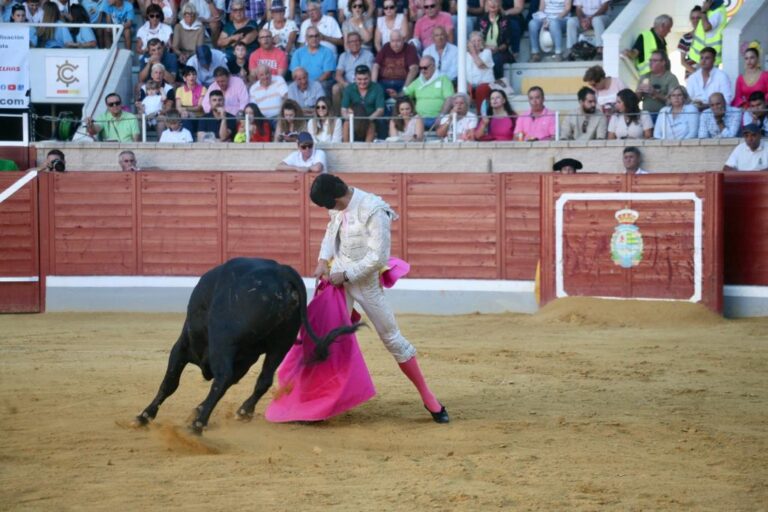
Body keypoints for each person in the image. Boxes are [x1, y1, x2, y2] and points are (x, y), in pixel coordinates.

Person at [309, 173, 449, 423]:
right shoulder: (339, 208)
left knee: (392, 339)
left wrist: (347, 275)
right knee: (325, 339)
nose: (327, 210)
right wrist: (323, 260)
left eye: (326, 205)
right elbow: (331, 233)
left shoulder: (374, 210)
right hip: (338, 282)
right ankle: (320, 403)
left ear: (335, 198)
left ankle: (430, 399)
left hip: (365, 285)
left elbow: (378, 258)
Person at [403, 56, 455, 128]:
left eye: (425, 68)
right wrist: (395, 95)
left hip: (438, 118)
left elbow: (449, 99)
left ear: (433, 66)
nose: (423, 71)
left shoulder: (443, 79)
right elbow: (405, 94)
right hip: (419, 119)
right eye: (421, 68)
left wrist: (441, 116)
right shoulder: (418, 81)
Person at [341, 64, 385, 142]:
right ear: (355, 78)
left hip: (371, 119)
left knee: (371, 125)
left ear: (370, 77)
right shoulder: (349, 89)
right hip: (354, 120)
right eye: (359, 79)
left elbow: (380, 110)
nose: (362, 82)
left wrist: (367, 120)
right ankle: (346, 149)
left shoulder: (377, 88)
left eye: (365, 79)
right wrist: (349, 119)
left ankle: (367, 150)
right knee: (346, 123)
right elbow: (343, 109)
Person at [372, 29, 419, 98]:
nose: (395, 44)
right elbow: (376, 66)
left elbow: (414, 69)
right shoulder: (386, 47)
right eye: (393, 41)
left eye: (398, 41)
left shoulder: (410, 49)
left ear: (403, 40)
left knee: (405, 95)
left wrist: (404, 89)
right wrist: (374, 85)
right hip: (384, 82)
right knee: (375, 95)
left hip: (402, 82)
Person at [290, 26, 337, 96]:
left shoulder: (327, 52)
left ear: (319, 37)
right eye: (311, 36)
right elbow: (294, 72)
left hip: (321, 82)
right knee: (291, 87)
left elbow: (327, 73)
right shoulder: (298, 53)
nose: (314, 39)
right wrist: (303, 82)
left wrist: (313, 84)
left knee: (322, 86)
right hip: (301, 82)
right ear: (306, 38)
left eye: (316, 36)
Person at [477, 0, 517, 80]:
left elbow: (507, 42)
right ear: (486, 5)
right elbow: (477, 37)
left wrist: (497, 49)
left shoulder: (505, 20)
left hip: (500, 51)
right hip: (483, 50)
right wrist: (486, 47)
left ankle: (498, 82)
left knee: (496, 58)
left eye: (496, 1)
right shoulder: (481, 20)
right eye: (490, 1)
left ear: (499, 5)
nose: (493, 4)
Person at [334, 32, 375, 108]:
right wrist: (345, 84)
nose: (354, 43)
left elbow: (369, 74)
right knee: (336, 88)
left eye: (357, 41)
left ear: (361, 42)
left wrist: (359, 84)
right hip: (347, 84)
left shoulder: (368, 55)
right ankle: (338, 117)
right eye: (351, 41)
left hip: (363, 83)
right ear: (348, 44)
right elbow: (338, 75)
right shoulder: (343, 56)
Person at [686, 47, 733, 111]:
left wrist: (708, 106)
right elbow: (688, 99)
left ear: (714, 60)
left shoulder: (722, 76)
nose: (703, 61)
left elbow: (727, 100)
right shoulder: (693, 78)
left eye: (707, 58)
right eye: (701, 58)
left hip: (716, 112)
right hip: (695, 112)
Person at [636, 51, 679, 119]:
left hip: (664, 116)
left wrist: (655, 94)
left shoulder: (671, 78)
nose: (651, 63)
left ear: (663, 62)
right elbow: (635, 101)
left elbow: (674, 101)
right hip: (646, 116)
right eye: (650, 60)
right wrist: (639, 92)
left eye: (654, 61)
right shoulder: (644, 76)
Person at [688, 0, 727, 67]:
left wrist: (703, 12)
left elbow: (706, 27)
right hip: (702, 57)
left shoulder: (717, 12)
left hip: (709, 58)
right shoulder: (711, 10)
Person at [465, 31, 495, 114]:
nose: (476, 43)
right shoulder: (465, 55)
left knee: (481, 90)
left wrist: (473, 52)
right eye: (473, 41)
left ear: (483, 42)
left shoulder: (486, 52)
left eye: (479, 41)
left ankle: (481, 117)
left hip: (485, 84)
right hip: (470, 85)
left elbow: (480, 64)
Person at [176, 66, 208, 135]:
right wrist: (186, 111)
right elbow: (178, 108)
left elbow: (199, 108)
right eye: (189, 75)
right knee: (185, 118)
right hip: (186, 117)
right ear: (184, 78)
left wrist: (185, 108)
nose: (192, 77)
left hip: (199, 118)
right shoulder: (179, 90)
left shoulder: (203, 89)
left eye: (194, 74)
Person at [678, 5, 702, 79]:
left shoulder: (709, 36)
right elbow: (682, 61)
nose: (695, 20)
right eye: (693, 18)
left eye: (698, 18)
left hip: (708, 77)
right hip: (691, 77)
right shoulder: (685, 38)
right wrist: (696, 74)